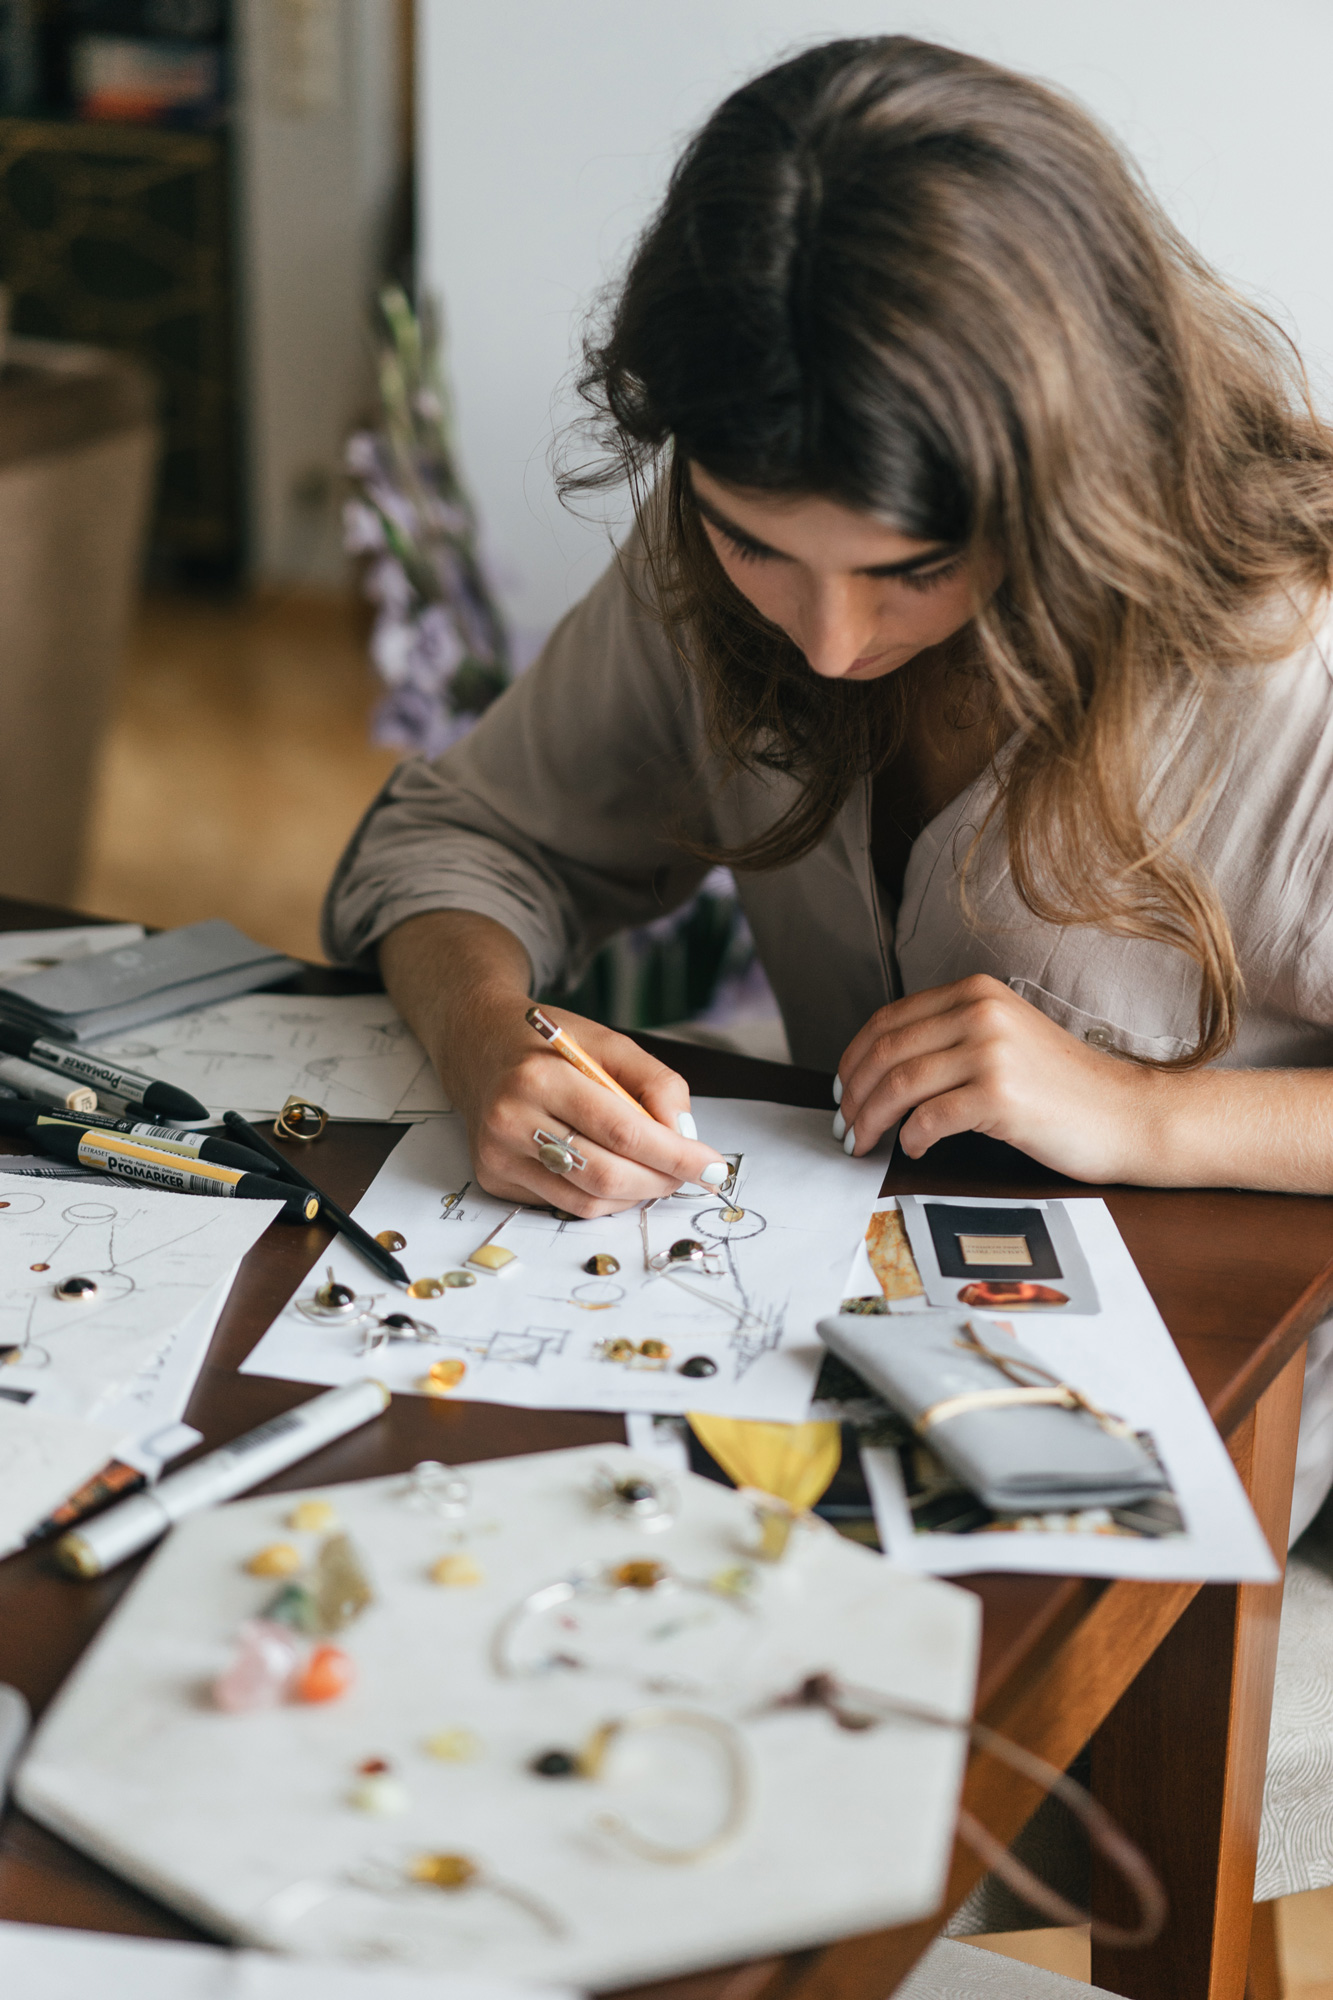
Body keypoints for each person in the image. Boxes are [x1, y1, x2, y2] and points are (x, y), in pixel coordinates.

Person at [324, 37, 1333, 1537]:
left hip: (1249, 1439)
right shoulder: (710, 551)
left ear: (1078, 478)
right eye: (752, 546)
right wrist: (485, 1037)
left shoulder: (1291, 666)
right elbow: (462, 833)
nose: (826, 638)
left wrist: (1144, 1115)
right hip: (852, 1358)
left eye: (911, 570)